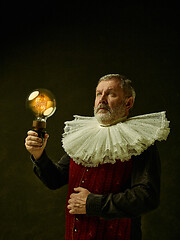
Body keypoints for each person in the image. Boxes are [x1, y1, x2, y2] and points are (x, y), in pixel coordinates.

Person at [25, 74, 170, 240]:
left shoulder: (140, 141)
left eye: (111, 94)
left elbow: (147, 197)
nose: (102, 99)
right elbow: (55, 180)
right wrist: (39, 155)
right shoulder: (83, 137)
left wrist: (92, 203)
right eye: (98, 94)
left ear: (128, 103)